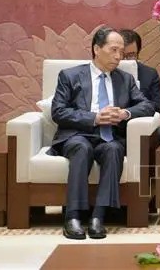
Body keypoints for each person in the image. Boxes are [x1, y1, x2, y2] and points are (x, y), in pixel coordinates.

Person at [49, 27, 154, 240]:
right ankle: (73, 216)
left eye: (121, 52)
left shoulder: (125, 79)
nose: (119, 56)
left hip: (109, 137)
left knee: (114, 149)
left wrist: (124, 113)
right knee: (81, 148)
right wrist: (94, 118)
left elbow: (147, 105)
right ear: (97, 49)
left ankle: (98, 216)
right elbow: (58, 111)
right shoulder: (70, 76)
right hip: (78, 135)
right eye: (113, 50)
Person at [118, 28, 160, 144]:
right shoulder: (106, 72)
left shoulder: (149, 74)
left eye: (131, 55)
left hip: (140, 124)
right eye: (122, 56)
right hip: (113, 126)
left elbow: (159, 106)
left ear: (138, 53)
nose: (126, 61)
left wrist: (133, 111)